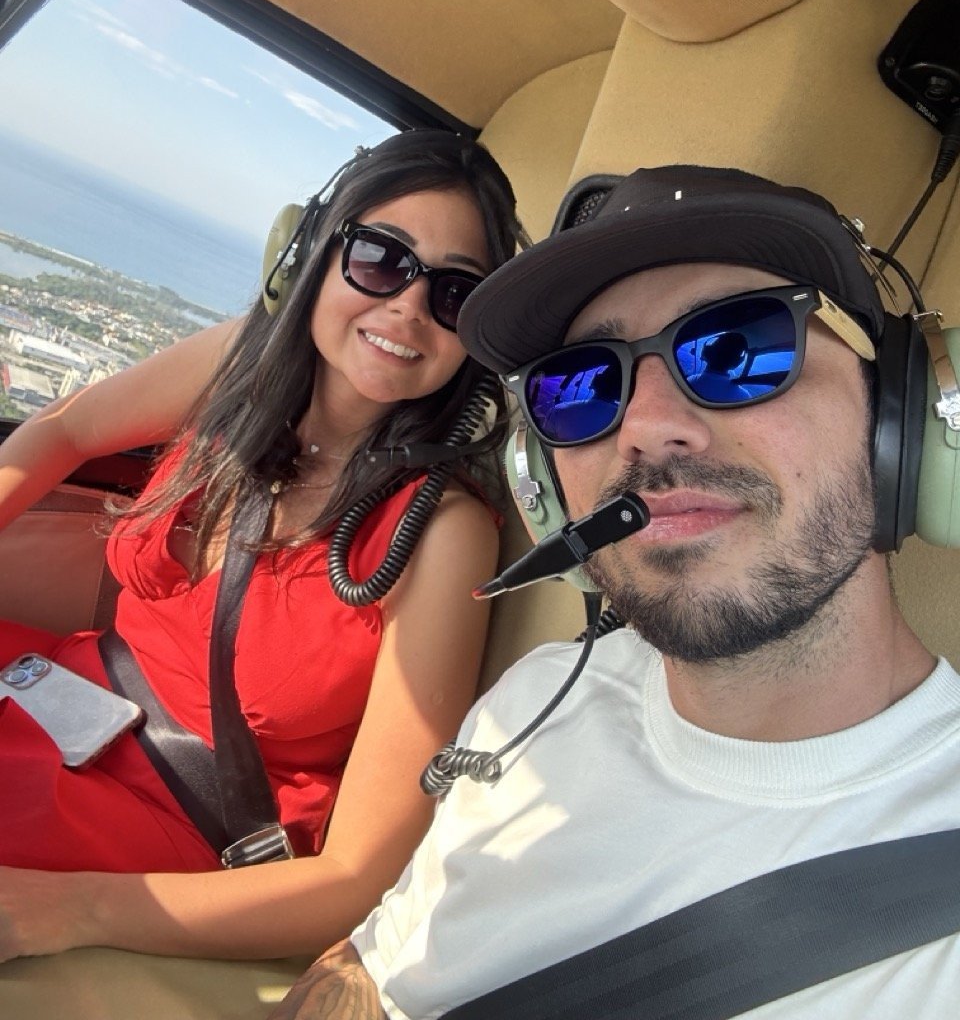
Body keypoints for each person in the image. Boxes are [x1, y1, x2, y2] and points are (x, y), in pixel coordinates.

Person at [271, 164, 960, 1018]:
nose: (644, 427)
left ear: (902, 413)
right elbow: (372, 966)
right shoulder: (530, 705)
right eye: (582, 387)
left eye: (738, 349)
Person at [0, 129, 527, 963]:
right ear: (314, 252)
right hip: (53, 696)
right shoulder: (239, 370)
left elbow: (357, 875)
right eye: (382, 259)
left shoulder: (438, 532)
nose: (408, 308)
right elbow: (64, 431)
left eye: (456, 292)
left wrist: (71, 910)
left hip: (165, 820)